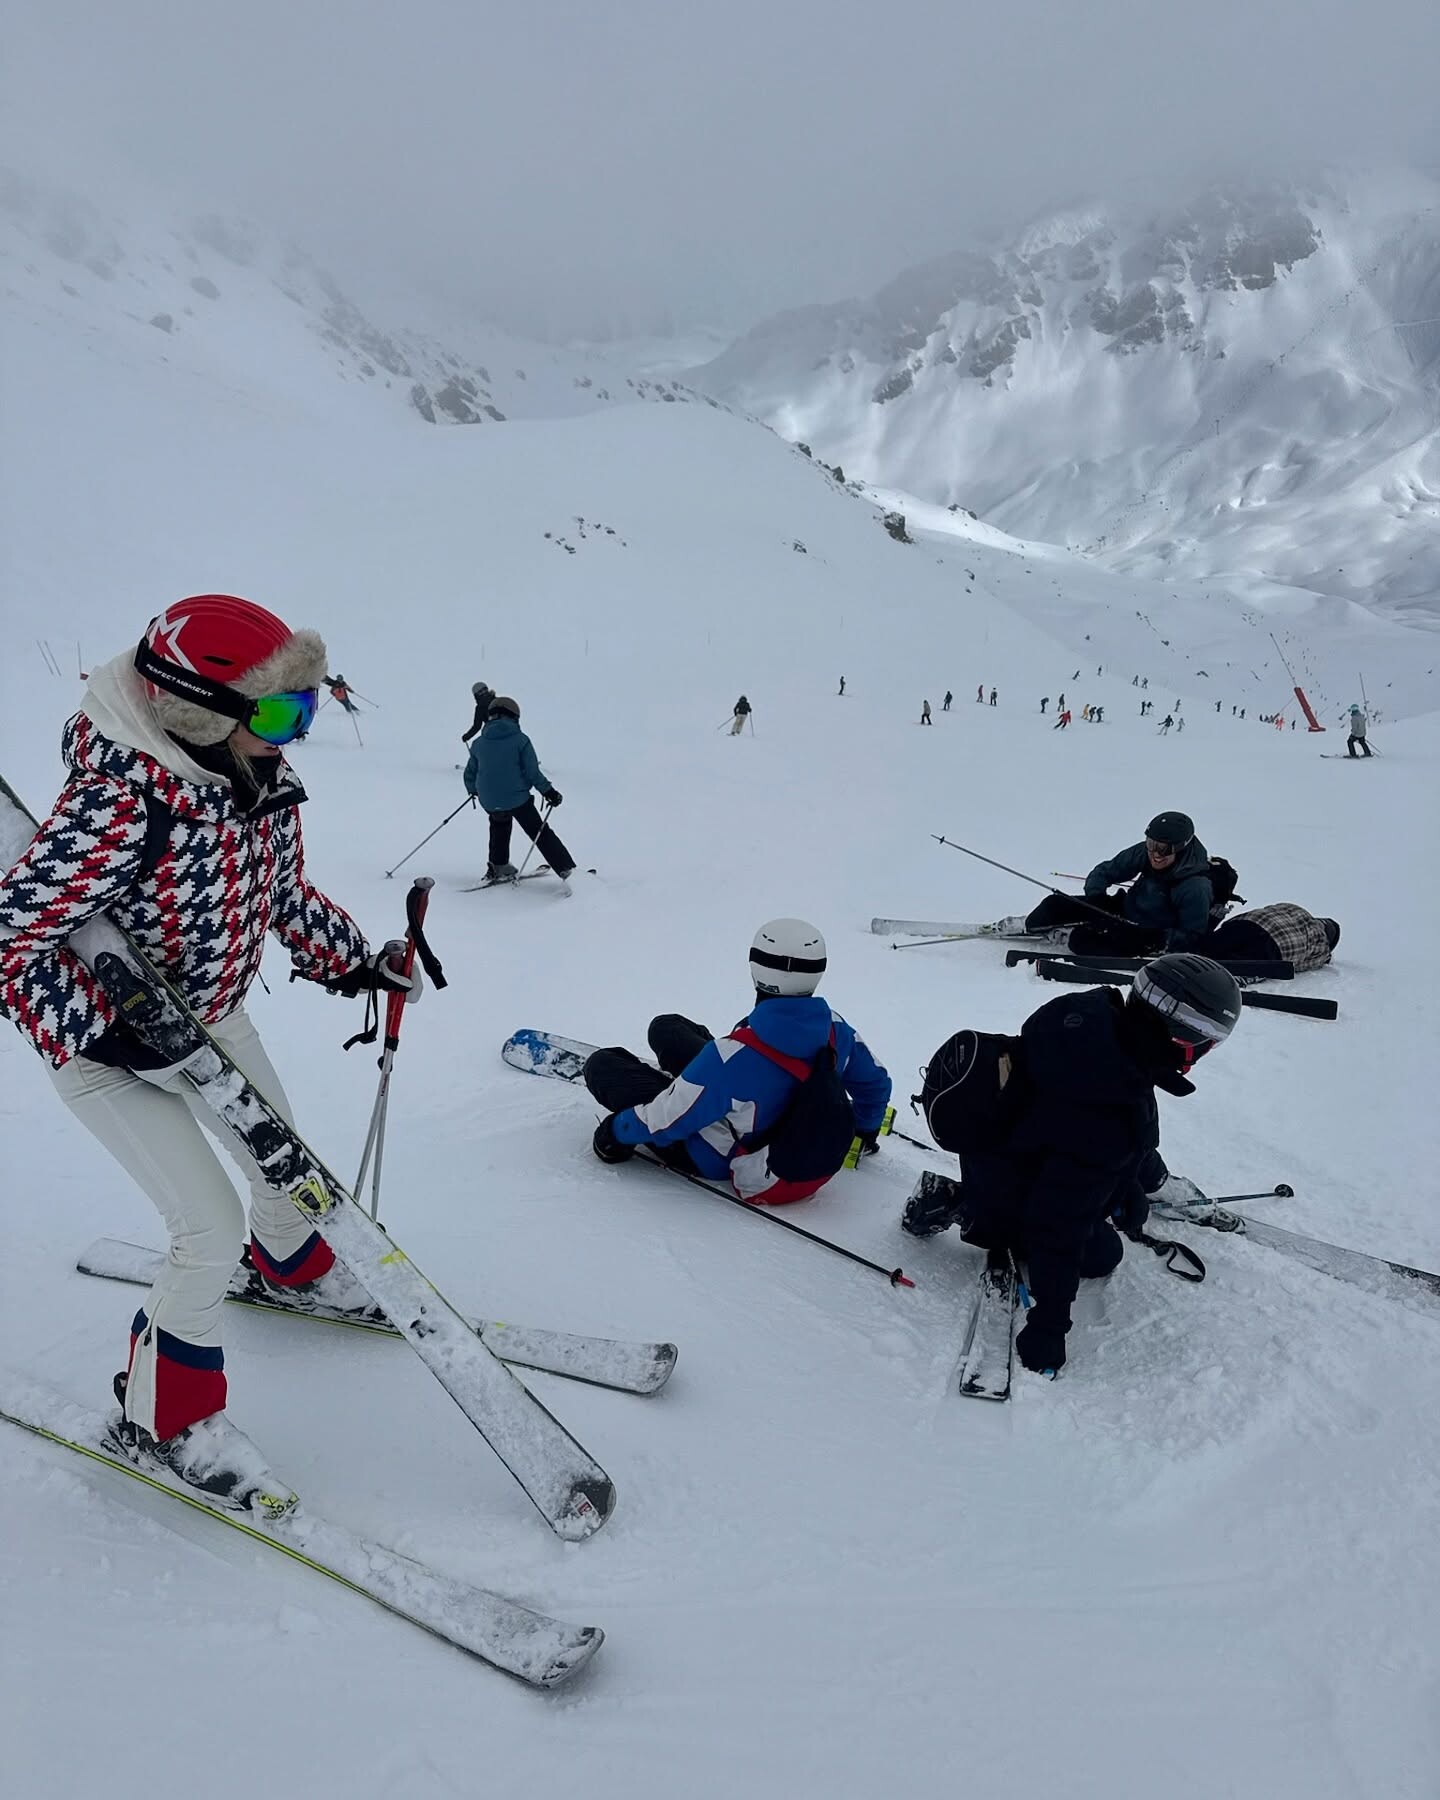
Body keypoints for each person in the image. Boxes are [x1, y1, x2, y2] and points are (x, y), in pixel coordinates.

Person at [0, 595, 421, 1497]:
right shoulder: (118, 808)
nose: (293, 735)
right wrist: (108, 1026)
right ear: (200, 714)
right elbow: (12, 938)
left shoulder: (256, 784)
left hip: (211, 1019)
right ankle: (164, 1421)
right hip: (107, 1055)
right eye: (277, 714)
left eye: (306, 709)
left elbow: (282, 898)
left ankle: (292, 1269)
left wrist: (358, 963)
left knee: (286, 1165)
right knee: (206, 1229)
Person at [901, 954, 1241, 1374]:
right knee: (1103, 1255)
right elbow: (1059, 1222)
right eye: (1210, 1042)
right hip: (1011, 1189)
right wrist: (1048, 1325)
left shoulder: (1088, 1020)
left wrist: (1128, 1184)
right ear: (1183, 1040)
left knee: (1106, 1204)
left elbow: (1096, 1135)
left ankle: (979, 1199)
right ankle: (960, 1205)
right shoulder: (1111, 1111)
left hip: (994, 1152)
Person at [584, 919, 892, 1203]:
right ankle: (695, 1083)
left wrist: (616, 1132)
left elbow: (667, 1119)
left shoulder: (731, 1057)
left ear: (756, 967)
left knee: (602, 1065)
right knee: (666, 1028)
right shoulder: (836, 1029)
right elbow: (876, 1083)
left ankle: (687, 1085)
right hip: (770, 1112)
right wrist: (864, 1131)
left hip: (717, 1154)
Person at [992, 811, 1214, 955]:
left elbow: (1192, 937)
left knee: (1083, 941)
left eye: (1163, 849)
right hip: (1125, 910)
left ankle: (1069, 936)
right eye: (1151, 843)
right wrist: (1095, 899)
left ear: (1181, 847)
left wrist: (1156, 940)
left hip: (1150, 933)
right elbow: (1105, 871)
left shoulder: (1195, 887)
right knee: (1054, 904)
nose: (1155, 853)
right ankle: (1030, 923)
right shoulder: (1145, 853)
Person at [463, 695, 576, 887]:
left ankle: (498, 866)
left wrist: (473, 791)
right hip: (517, 799)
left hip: (489, 800)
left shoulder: (478, 743)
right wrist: (549, 792)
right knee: (539, 832)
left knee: (499, 824)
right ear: (514, 716)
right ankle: (567, 869)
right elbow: (532, 773)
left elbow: (469, 773)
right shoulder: (521, 740)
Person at [1205, 903, 1338, 972]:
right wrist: (1325, 959)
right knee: (1225, 966)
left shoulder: (1297, 909)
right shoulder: (1322, 947)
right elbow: (1299, 966)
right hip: (1275, 944)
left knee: (1208, 948)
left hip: (1248, 922)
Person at [461, 681, 495, 746]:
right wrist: (467, 736)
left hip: (496, 731)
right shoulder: (480, 708)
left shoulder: (496, 701)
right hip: (499, 730)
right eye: (480, 691)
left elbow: (477, 726)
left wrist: (467, 736)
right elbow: (477, 726)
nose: (483, 692)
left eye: (484, 690)